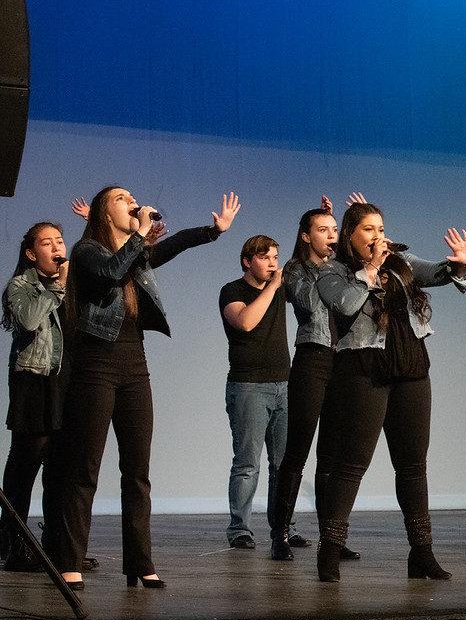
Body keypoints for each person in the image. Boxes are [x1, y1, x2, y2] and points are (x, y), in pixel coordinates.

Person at [46, 186, 239, 590]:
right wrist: (140, 234)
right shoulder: (87, 252)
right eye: (121, 197)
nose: (131, 201)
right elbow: (113, 271)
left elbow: (170, 248)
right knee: (85, 470)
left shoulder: (137, 253)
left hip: (135, 366)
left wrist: (213, 231)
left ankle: (140, 561)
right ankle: (70, 560)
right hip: (95, 367)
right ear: (103, 211)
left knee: (137, 472)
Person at [314, 202, 466, 581]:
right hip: (364, 368)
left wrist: (459, 265)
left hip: (411, 367)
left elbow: (435, 272)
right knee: (353, 464)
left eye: (380, 228)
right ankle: (330, 552)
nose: (377, 235)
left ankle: (421, 554)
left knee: (413, 465)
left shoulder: (398, 260)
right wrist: (369, 272)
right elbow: (346, 304)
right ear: (351, 235)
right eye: (368, 229)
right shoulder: (332, 271)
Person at [269, 194, 363, 561]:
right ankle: (280, 533)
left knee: (333, 456)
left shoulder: (340, 267)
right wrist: (331, 266)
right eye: (323, 230)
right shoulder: (295, 269)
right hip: (312, 359)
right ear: (306, 236)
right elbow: (310, 303)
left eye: (335, 229)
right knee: (297, 452)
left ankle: (331, 537)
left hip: (343, 361)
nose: (331, 235)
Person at [1, 223, 68, 571]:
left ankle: (56, 545)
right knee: (25, 465)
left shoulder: (70, 285)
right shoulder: (21, 285)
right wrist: (56, 287)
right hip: (32, 381)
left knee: (59, 468)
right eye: (47, 242)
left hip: (63, 383)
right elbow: (28, 321)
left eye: (60, 240)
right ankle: (13, 544)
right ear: (31, 253)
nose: (57, 247)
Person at [219, 235, 292, 550]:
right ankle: (239, 529)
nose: (273, 263)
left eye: (275, 257)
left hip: (284, 384)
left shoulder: (281, 287)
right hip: (248, 386)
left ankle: (282, 529)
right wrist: (272, 289)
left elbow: (315, 267)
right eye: (265, 257)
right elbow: (246, 322)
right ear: (248, 261)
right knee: (248, 461)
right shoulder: (232, 291)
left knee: (283, 464)